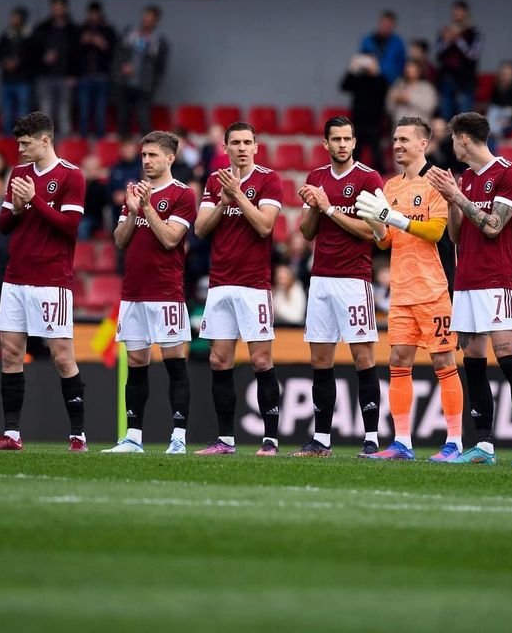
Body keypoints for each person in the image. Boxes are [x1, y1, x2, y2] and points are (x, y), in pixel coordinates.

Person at [427, 113, 512, 466]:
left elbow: (493, 226)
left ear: (463, 139)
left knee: (508, 360)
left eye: (452, 139)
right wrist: (451, 200)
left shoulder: (509, 173)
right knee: (473, 364)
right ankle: (484, 445)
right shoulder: (467, 179)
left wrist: (456, 196)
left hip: (496, 280)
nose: (451, 146)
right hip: (467, 281)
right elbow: (459, 236)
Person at [353, 117, 465, 461]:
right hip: (402, 288)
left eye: (404, 140)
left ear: (423, 143)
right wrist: (374, 224)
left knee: (443, 361)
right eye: (395, 139)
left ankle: (455, 442)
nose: (397, 145)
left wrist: (392, 216)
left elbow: (435, 232)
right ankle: (402, 442)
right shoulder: (390, 186)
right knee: (399, 361)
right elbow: (387, 242)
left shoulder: (438, 181)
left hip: (435, 287)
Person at [0, 112, 87, 452]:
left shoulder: (71, 176)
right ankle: (11, 434)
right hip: (16, 277)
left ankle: (78, 435)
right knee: (11, 353)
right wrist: (16, 206)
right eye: (18, 143)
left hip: (51, 278)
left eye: (26, 143)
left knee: (61, 357)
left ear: (46, 140)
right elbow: (2, 223)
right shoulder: (19, 174)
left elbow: (69, 226)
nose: (20, 148)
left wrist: (34, 201)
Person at [291, 116, 383, 457]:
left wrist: (328, 208)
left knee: (363, 358)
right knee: (320, 360)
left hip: (354, 280)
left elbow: (373, 232)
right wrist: (315, 206)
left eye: (347, 138)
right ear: (325, 144)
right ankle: (322, 440)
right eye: (336, 139)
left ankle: (372, 438)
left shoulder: (368, 178)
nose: (342, 144)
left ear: (355, 142)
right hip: (321, 280)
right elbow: (306, 232)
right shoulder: (316, 178)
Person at [193, 122, 283, 455]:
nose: (242, 148)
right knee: (219, 360)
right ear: (225, 147)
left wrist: (239, 197)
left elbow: (264, 225)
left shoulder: (269, 179)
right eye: (236, 143)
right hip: (220, 284)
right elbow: (200, 229)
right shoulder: (215, 181)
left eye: (248, 142)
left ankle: (270, 440)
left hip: (253, 286)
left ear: (256, 147)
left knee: (260, 360)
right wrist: (221, 202)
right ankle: (226, 440)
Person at [106, 131, 197, 455]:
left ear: (170, 158)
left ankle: (179, 437)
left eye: (153, 155)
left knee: (174, 363)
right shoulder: (135, 191)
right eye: (144, 155)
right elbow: (119, 239)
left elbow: (171, 239)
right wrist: (132, 211)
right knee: (136, 362)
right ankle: (133, 437)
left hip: (166, 292)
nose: (146, 161)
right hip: (134, 292)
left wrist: (147, 207)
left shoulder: (182, 195)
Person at [115, 5, 169, 137]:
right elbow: (117, 55)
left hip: (144, 86)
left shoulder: (159, 41)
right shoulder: (130, 34)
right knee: (123, 117)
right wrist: (121, 69)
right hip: (125, 83)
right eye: (145, 17)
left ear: (155, 21)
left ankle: (147, 151)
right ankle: (124, 149)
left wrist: (154, 83)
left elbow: (161, 67)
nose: (147, 21)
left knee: (144, 120)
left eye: (151, 19)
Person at [32, 0, 78, 137]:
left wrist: (73, 74)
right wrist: (43, 58)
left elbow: (77, 55)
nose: (57, 10)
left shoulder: (72, 30)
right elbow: (30, 52)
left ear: (65, 9)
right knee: (45, 113)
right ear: (51, 8)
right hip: (45, 76)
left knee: (64, 112)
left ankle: (65, 148)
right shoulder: (42, 28)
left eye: (60, 7)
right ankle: (45, 147)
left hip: (65, 76)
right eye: (55, 7)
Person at [76, 0, 117, 139]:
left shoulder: (108, 30)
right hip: (84, 75)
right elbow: (72, 53)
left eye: (96, 13)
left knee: (101, 110)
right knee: (84, 110)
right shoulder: (80, 29)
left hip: (102, 75)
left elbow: (116, 54)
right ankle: (83, 138)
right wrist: (82, 42)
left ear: (100, 14)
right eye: (91, 13)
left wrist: (102, 43)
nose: (93, 16)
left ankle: (100, 139)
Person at [435, 0, 482, 120]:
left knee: (464, 117)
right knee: (445, 114)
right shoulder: (445, 31)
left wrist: (458, 40)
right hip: (447, 78)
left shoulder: (474, 33)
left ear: (466, 13)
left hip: (465, 80)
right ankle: (446, 139)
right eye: (455, 11)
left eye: (460, 11)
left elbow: (473, 55)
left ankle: (463, 139)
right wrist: (447, 40)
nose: (457, 14)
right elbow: (438, 54)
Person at [0, 5, 34, 134]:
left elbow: (34, 56)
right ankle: (7, 136)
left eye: (15, 17)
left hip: (23, 79)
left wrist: (19, 63)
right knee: (7, 110)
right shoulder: (6, 35)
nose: (12, 19)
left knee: (23, 110)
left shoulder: (29, 36)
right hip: (8, 79)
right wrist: (5, 62)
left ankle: (22, 134)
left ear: (22, 19)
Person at [359, 10, 406, 85]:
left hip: (390, 82)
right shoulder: (367, 40)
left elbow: (402, 64)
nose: (386, 26)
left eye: (389, 25)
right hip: (370, 82)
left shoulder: (398, 43)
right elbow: (362, 61)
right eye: (384, 23)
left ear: (393, 25)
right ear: (379, 23)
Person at [385, 59, 438, 123]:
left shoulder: (427, 88)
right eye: (407, 67)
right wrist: (395, 100)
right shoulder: (398, 85)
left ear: (419, 71)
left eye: (412, 68)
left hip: (419, 126)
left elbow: (430, 107)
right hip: (399, 127)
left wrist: (409, 99)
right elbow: (388, 107)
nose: (409, 70)